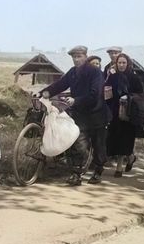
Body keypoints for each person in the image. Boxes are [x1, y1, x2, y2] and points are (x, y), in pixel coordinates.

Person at [40, 45, 111, 185]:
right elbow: (60, 84)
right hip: (79, 114)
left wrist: (76, 100)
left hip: (96, 114)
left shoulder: (95, 72)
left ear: (85, 56)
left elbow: (95, 94)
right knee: (78, 142)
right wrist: (45, 92)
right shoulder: (72, 72)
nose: (76, 60)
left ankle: (98, 170)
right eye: (74, 57)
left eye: (79, 57)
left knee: (99, 145)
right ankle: (76, 174)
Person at [105, 53, 144, 177]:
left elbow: (140, 94)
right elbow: (107, 90)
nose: (121, 65)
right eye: (119, 63)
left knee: (125, 138)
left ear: (128, 64)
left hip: (128, 112)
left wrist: (129, 96)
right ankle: (131, 157)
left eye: (124, 63)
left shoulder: (133, 77)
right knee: (114, 137)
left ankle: (119, 167)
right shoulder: (113, 76)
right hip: (115, 111)